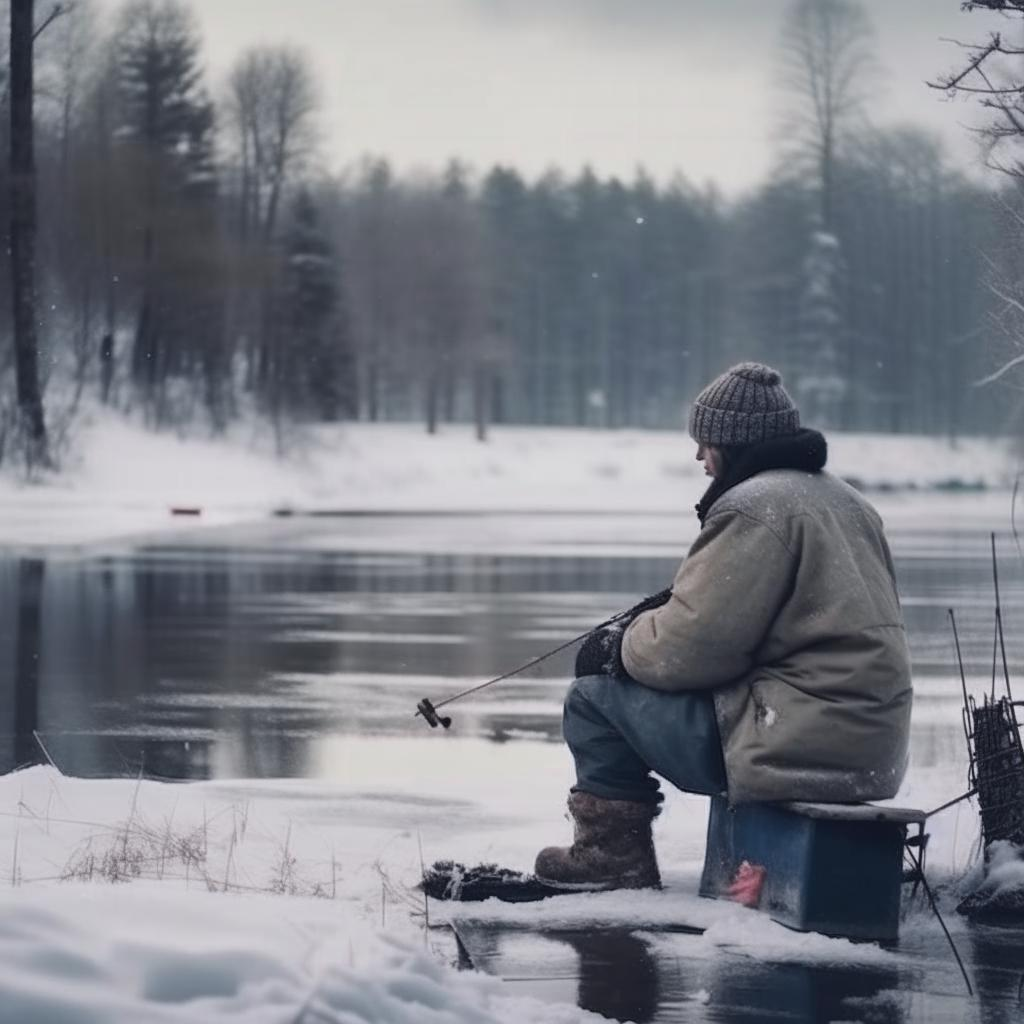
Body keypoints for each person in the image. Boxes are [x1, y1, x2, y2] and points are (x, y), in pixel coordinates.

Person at [534, 362, 914, 890]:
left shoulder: (757, 507)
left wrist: (615, 649)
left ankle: (611, 858)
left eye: (705, 441)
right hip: (867, 750)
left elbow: (690, 652)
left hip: (793, 743)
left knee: (592, 698)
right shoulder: (847, 502)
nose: (698, 456)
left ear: (733, 443)